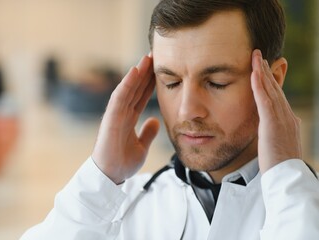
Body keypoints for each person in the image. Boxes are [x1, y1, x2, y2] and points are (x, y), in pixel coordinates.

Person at [21, 0, 319, 239]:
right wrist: (101, 177)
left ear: (274, 80)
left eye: (216, 82)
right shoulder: (113, 208)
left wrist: (286, 179)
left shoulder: (301, 204)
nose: (187, 110)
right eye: (171, 82)